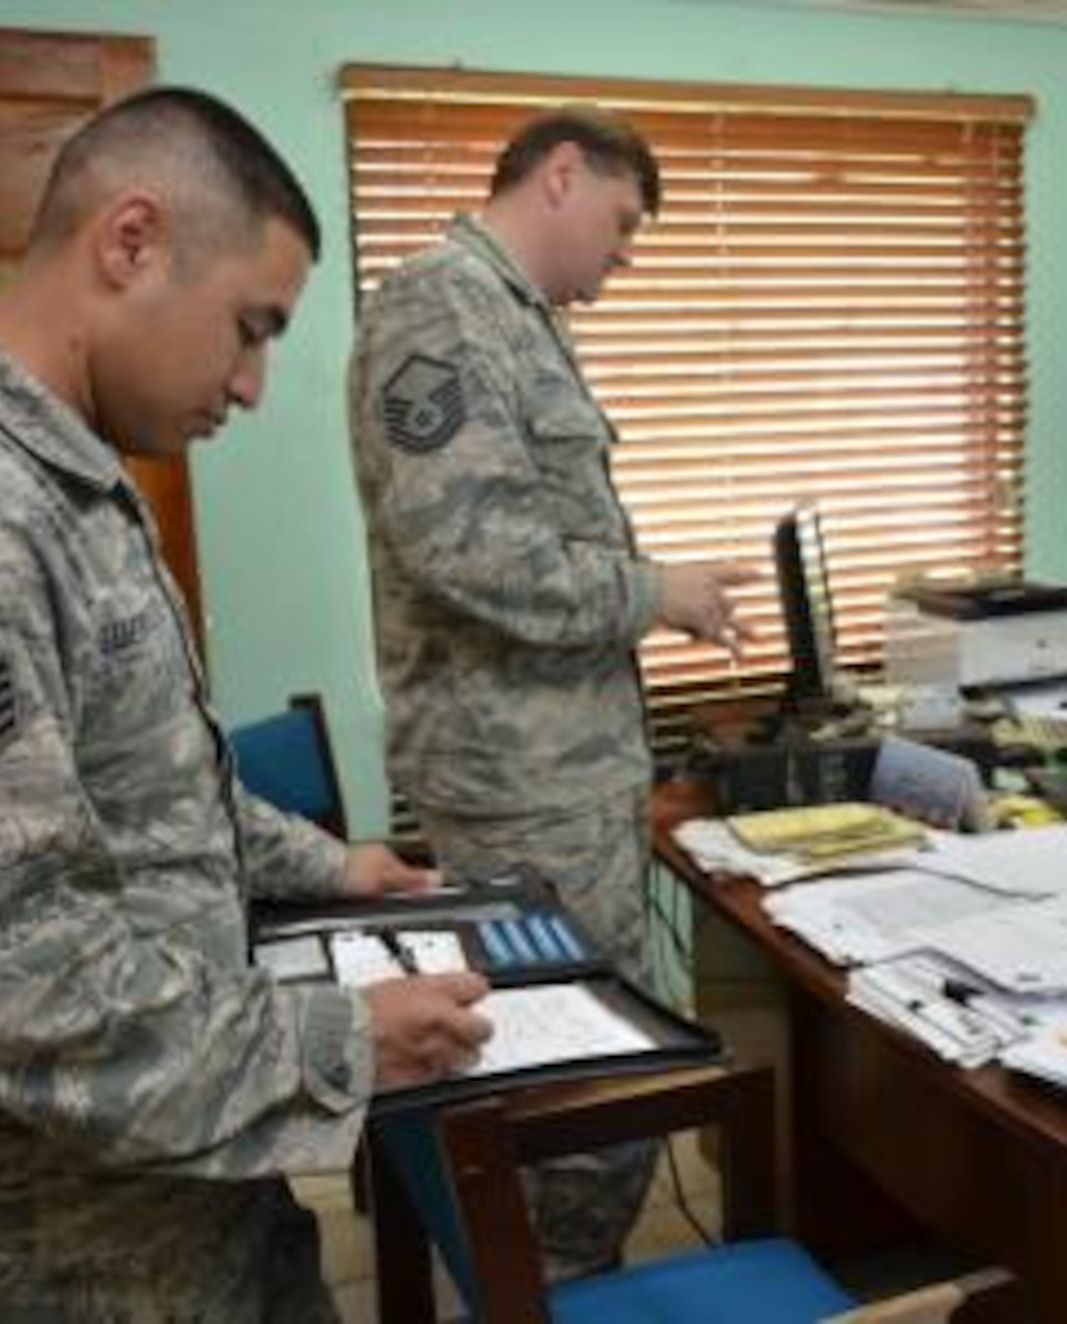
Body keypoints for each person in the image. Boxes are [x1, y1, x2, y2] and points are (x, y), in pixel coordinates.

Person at [0, 88, 494, 1321]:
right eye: (248, 327)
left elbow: (143, 788)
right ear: (130, 242)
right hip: (70, 1246)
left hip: (185, 1168)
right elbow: (9, 981)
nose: (254, 383)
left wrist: (331, 863)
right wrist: (335, 1042)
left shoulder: (64, 478)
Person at [347, 105, 752, 1276]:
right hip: (517, 787)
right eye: (622, 226)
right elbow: (469, 549)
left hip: (554, 775)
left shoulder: (515, 317)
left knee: (587, 1063)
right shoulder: (441, 306)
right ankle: (553, 1291)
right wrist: (651, 592)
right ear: (562, 176)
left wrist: (648, 588)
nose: (623, 258)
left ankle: (562, 1278)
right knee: (573, 1078)